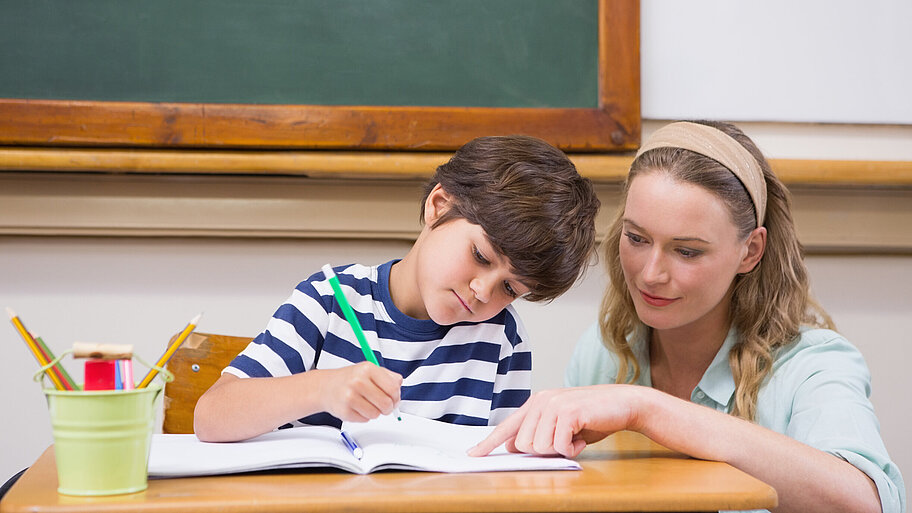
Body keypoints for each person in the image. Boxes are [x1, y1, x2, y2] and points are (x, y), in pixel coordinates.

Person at [469, 121, 905, 513]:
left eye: (687, 251)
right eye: (636, 238)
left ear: (750, 251)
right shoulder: (605, 353)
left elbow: (863, 503)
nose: (651, 273)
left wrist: (648, 409)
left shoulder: (813, 365)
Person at [194, 135, 601, 443]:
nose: (482, 292)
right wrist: (321, 388)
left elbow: (498, 461)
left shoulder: (502, 340)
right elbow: (211, 417)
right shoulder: (330, 300)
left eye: (510, 289)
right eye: (480, 255)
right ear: (438, 206)